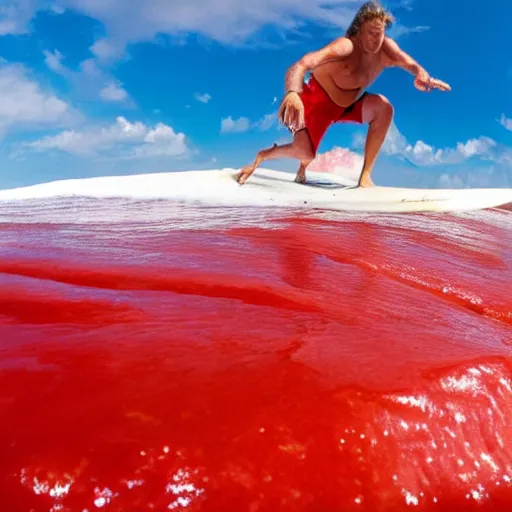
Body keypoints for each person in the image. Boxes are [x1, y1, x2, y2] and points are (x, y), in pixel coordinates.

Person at [236, 0, 451, 187]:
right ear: (358, 31)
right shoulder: (345, 47)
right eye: (371, 33)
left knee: (383, 108)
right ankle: (263, 156)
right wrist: (292, 92)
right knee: (306, 153)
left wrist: (423, 76)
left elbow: (410, 64)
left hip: (347, 107)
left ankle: (365, 177)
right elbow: (301, 64)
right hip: (315, 104)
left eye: (381, 33)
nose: (376, 40)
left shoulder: (386, 50)